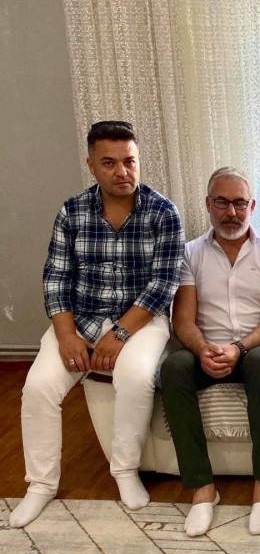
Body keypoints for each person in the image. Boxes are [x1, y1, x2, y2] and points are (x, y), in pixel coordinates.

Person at [11, 120, 184, 528]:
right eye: (110, 163)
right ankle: (41, 485)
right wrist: (66, 336)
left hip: (141, 320)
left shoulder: (163, 211)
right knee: (38, 387)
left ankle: (124, 471)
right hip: (81, 317)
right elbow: (56, 278)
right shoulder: (72, 211)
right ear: (91, 166)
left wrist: (120, 333)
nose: (122, 171)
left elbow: (164, 284)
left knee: (136, 376)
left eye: (130, 161)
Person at [159, 167, 260, 537]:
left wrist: (239, 347)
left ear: (252, 205)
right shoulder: (189, 253)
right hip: (208, 347)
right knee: (174, 367)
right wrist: (202, 349)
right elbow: (182, 319)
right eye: (222, 202)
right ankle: (202, 488)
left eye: (239, 203)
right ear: (208, 204)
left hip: (259, 346)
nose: (231, 212)